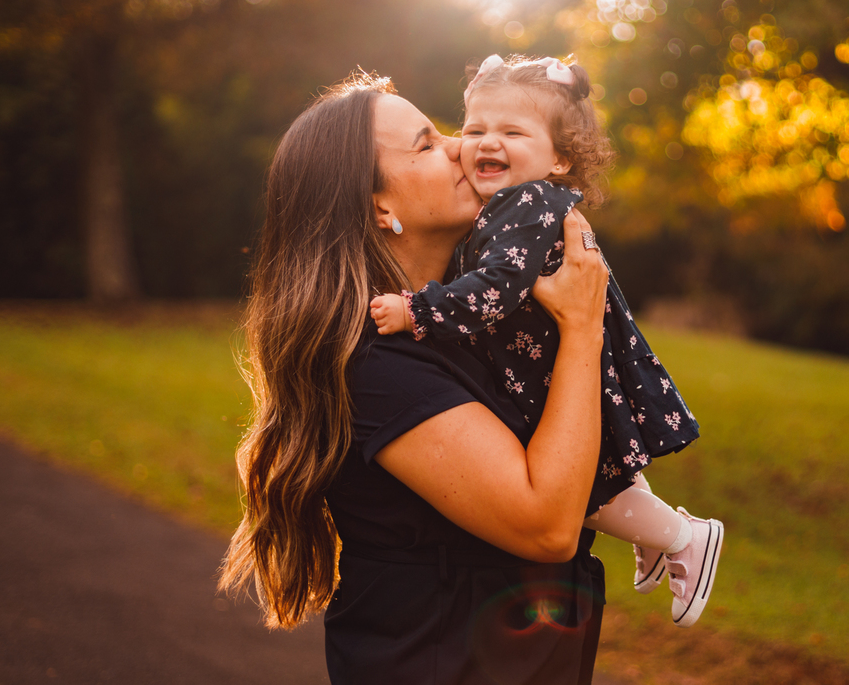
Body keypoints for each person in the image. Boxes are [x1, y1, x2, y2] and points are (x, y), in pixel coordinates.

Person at [219, 71, 611, 685]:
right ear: (380, 207)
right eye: (427, 144)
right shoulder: (377, 365)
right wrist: (583, 328)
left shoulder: (468, 325)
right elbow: (547, 526)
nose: (461, 147)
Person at [370, 54, 723, 628]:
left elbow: (495, 289)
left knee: (592, 482)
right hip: (546, 365)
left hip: (548, 368)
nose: (473, 145)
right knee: (601, 471)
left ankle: (682, 536)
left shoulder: (527, 204)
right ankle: (661, 533)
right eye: (473, 129)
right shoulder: (506, 209)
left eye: (512, 133)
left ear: (560, 159)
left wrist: (418, 310)